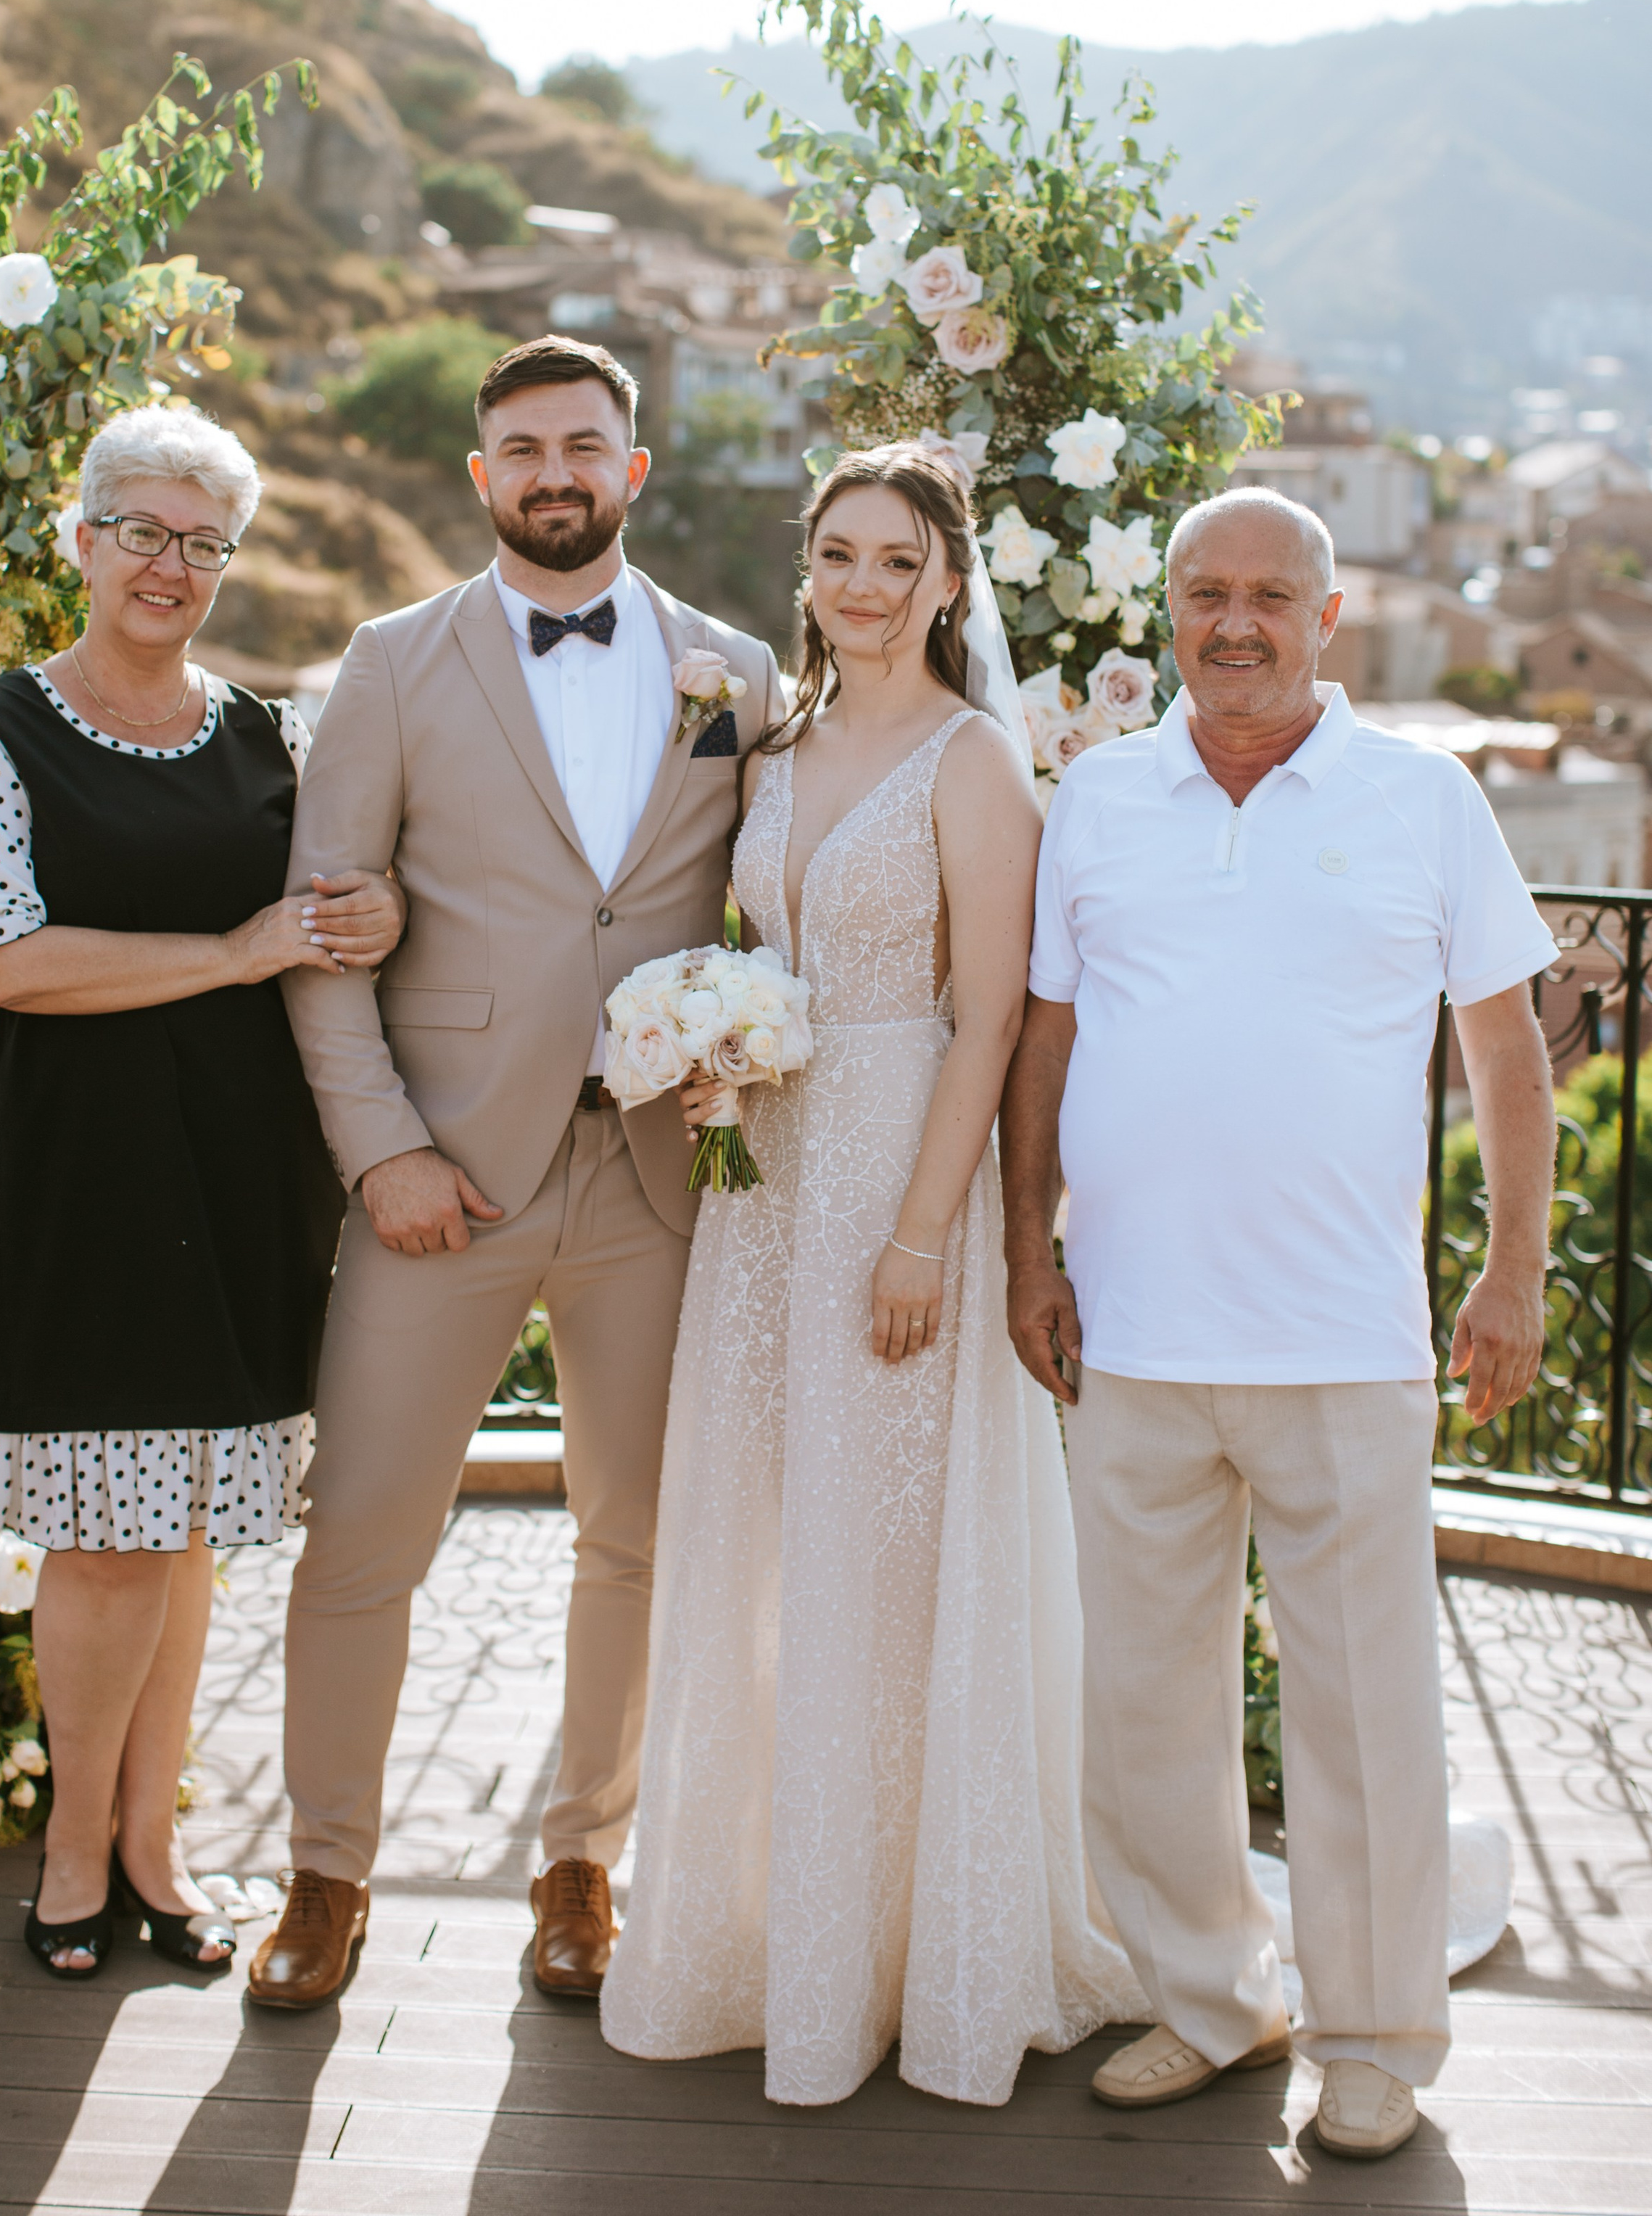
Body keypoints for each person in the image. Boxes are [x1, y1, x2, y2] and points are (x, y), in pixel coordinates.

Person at [1000, 486, 1558, 2162]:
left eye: (1266, 595)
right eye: (1200, 594)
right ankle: (1204, 2001)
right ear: (1162, 614)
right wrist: (1028, 1250)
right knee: (1142, 1705)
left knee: (1364, 1716)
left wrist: (1509, 1271)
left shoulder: (1422, 796)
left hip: (1343, 1339)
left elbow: (1507, 1059)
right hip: (1131, 1340)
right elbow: (1041, 1049)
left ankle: (1376, 2038)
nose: (1229, 622)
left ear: (1327, 618)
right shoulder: (1095, 798)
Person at [599, 445, 1141, 2107]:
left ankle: (917, 1950)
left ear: (947, 580)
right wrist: (707, 1050)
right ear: (808, 568)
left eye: (896, 559)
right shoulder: (765, 748)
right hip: (765, 1181)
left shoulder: (974, 765)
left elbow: (990, 1016)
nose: (860, 585)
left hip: (898, 1166)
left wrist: (926, 1237)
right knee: (770, 1536)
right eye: (835, 554)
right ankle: (777, 1930)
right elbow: (751, 946)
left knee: (898, 1553)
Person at [247, 334, 782, 2012]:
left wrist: (739, 1049)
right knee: (361, 1544)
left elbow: (769, 902)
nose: (554, 471)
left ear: (634, 470)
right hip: (441, 1177)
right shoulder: (390, 662)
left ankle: (579, 1865)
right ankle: (325, 1876)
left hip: (654, 1181)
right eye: (522, 449)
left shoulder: (737, 673)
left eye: (584, 444)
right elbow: (326, 938)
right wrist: (381, 1151)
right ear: (481, 479)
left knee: (633, 1538)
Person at [0, 403, 405, 1980]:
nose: (170, 566)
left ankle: (152, 1849)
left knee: (181, 1529)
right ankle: (70, 1850)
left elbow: (335, 909)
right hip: (79, 1158)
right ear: (83, 540)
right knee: (109, 1540)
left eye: (203, 541)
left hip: (237, 1162)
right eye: (143, 532)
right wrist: (233, 953)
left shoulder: (266, 735)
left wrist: (365, 915)